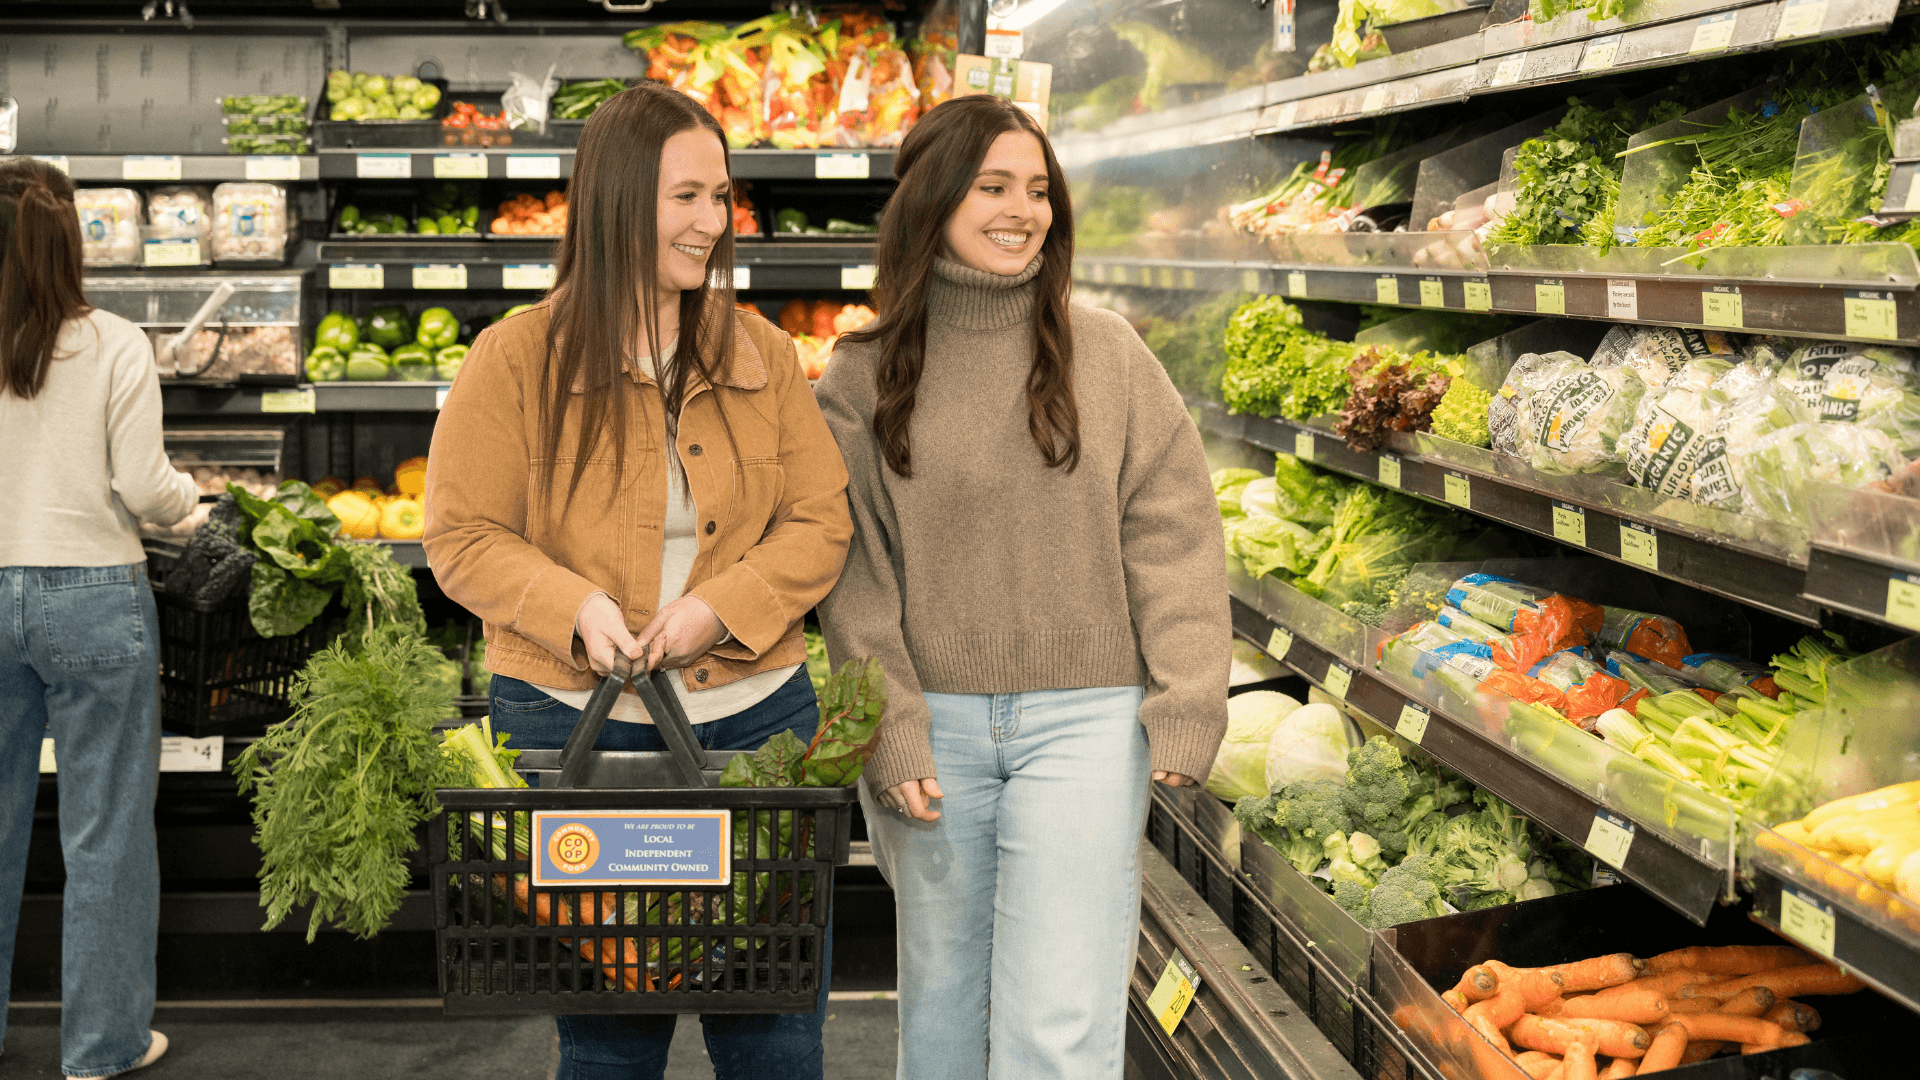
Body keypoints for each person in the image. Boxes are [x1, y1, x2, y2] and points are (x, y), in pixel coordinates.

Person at [422, 82, 853, 1080]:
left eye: (722, 197)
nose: (713, 222)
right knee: (610, 1042)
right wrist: (575, 608)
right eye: (686, 197)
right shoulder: (512, 360)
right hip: (581, 733)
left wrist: (718, 608)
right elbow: (462, 535)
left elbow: (820, 520)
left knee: (776, 1038)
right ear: (617, 199)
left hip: (756, 731)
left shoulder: (766, 354)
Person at [814, 95, 1231, 1079]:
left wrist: (1188, 693)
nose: (1024, 209)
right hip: (933, 729)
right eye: (994, 185)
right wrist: (892, 724)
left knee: (1061, 1021)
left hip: (1087, 724)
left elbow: (1173, 529)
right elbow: (856, 576)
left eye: (1039, 189)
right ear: (932, 201)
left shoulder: (1110, 354)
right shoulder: (860, 375)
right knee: (944, 1015)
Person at [0, 159, 197, 1078]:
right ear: (70, 238)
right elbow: (143, 488)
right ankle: (101, 1048)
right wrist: (193, 505)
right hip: (94, 598)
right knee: (107, 832)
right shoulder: (114, 341)